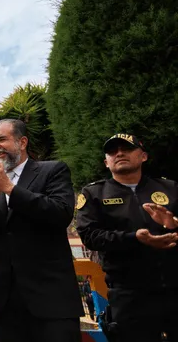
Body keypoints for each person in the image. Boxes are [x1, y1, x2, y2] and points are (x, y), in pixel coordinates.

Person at [0, 118, 83, 342]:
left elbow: (60, 213)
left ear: (22, 142)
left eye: (1, 139)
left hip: (51, 298)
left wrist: (9, 188)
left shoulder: (52, 171)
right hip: (4, 301)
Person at [76, 133, 178, 341]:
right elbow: (90, 235)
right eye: (113, 151)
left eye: (127, 149)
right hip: (128, 296)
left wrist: (173, 225)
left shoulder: (170, 188)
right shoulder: (95, 193)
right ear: (106, 162)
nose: (119, 153)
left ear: (143, 156)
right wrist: (134, 238)